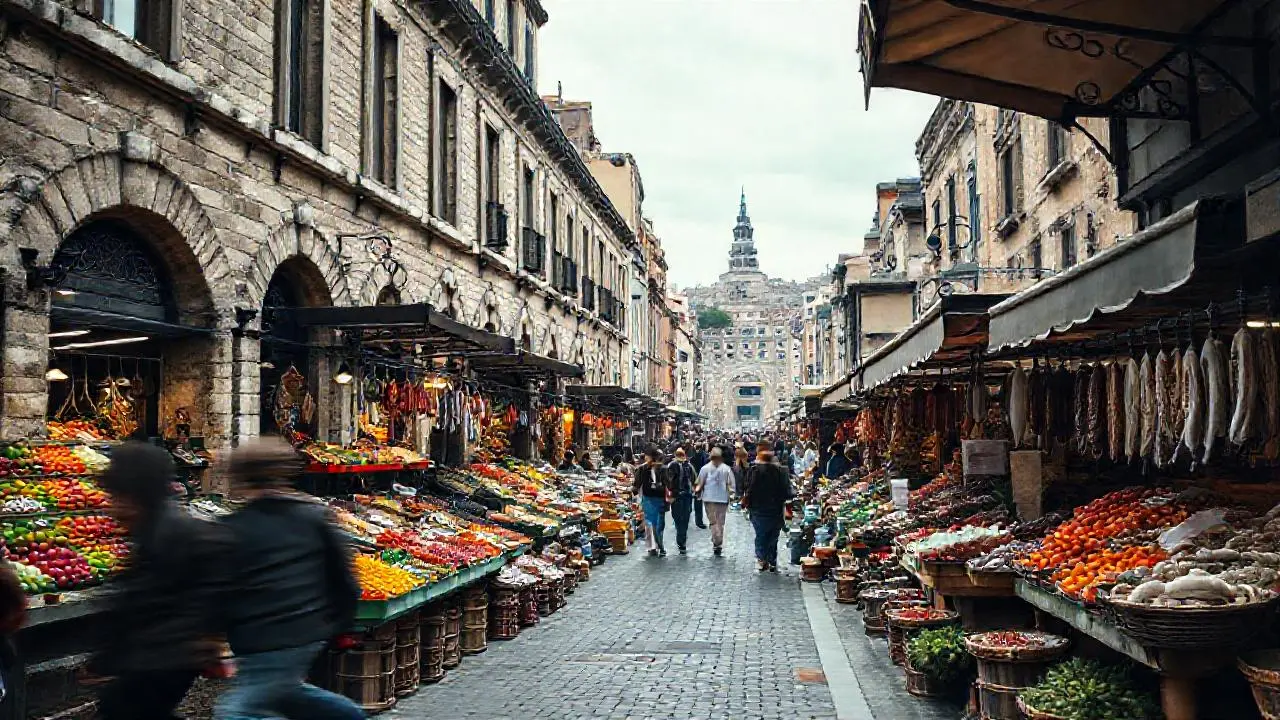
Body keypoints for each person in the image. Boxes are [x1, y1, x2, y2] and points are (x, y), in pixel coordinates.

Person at [216, 437, 365, 720]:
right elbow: (344, 576)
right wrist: (342, 624)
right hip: (307, 630)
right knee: (284, 692)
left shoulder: (233, 527)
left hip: (264, 636)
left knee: (235, 712)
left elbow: (221, 589)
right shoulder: (314, 516)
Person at [93, 442, 230, 720]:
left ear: (138, 494)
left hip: (164, 658)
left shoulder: (171, 533)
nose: (113, 507)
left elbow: (147, 602)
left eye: (119, 497)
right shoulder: (155, 528)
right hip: (162, 658)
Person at [742, 449, 791, 573]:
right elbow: (787, 492)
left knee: (761, 535)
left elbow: (747, 488)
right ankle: (772, 560)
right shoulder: (780, 472)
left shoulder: (754, 471)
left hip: (758, 509)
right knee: (773, 536)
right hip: (775, 509)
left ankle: (762, 559)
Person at [632, 446, 672, 557]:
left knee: (651, 523)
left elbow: (636, 484)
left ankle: (653, 547)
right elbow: (669, 484)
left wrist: (634, 492)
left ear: (651, 457)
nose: (645, 457)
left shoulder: (643, 468)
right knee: (657, 523)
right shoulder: (663, 468)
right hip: (658, 499)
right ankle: (658, 546)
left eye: (647, 455)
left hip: (650, 499)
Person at [695, 448, 735, 556]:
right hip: (720, 499)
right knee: (719, 522)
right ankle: (718, 542)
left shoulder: (705, 468)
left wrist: (698, 492)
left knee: (714, 522)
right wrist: (732, 495)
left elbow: (699, 483)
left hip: (710, 499)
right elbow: (732, 484)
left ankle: (716, 541)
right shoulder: (726, 469)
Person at [665, 449, 698, 555]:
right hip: (687, 496)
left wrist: (670, 494)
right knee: (685, 519)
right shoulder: (689, 466)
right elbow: (695, 480)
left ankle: (681, 540)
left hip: (677, 497)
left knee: (678, 519)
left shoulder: (671, 465)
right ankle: (682, 539)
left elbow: (668, 482)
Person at [689, 443, 710, 529]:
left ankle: (698, 521)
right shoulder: (706, 456)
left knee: (697, 502)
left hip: (696, 482)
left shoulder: (692, 457)